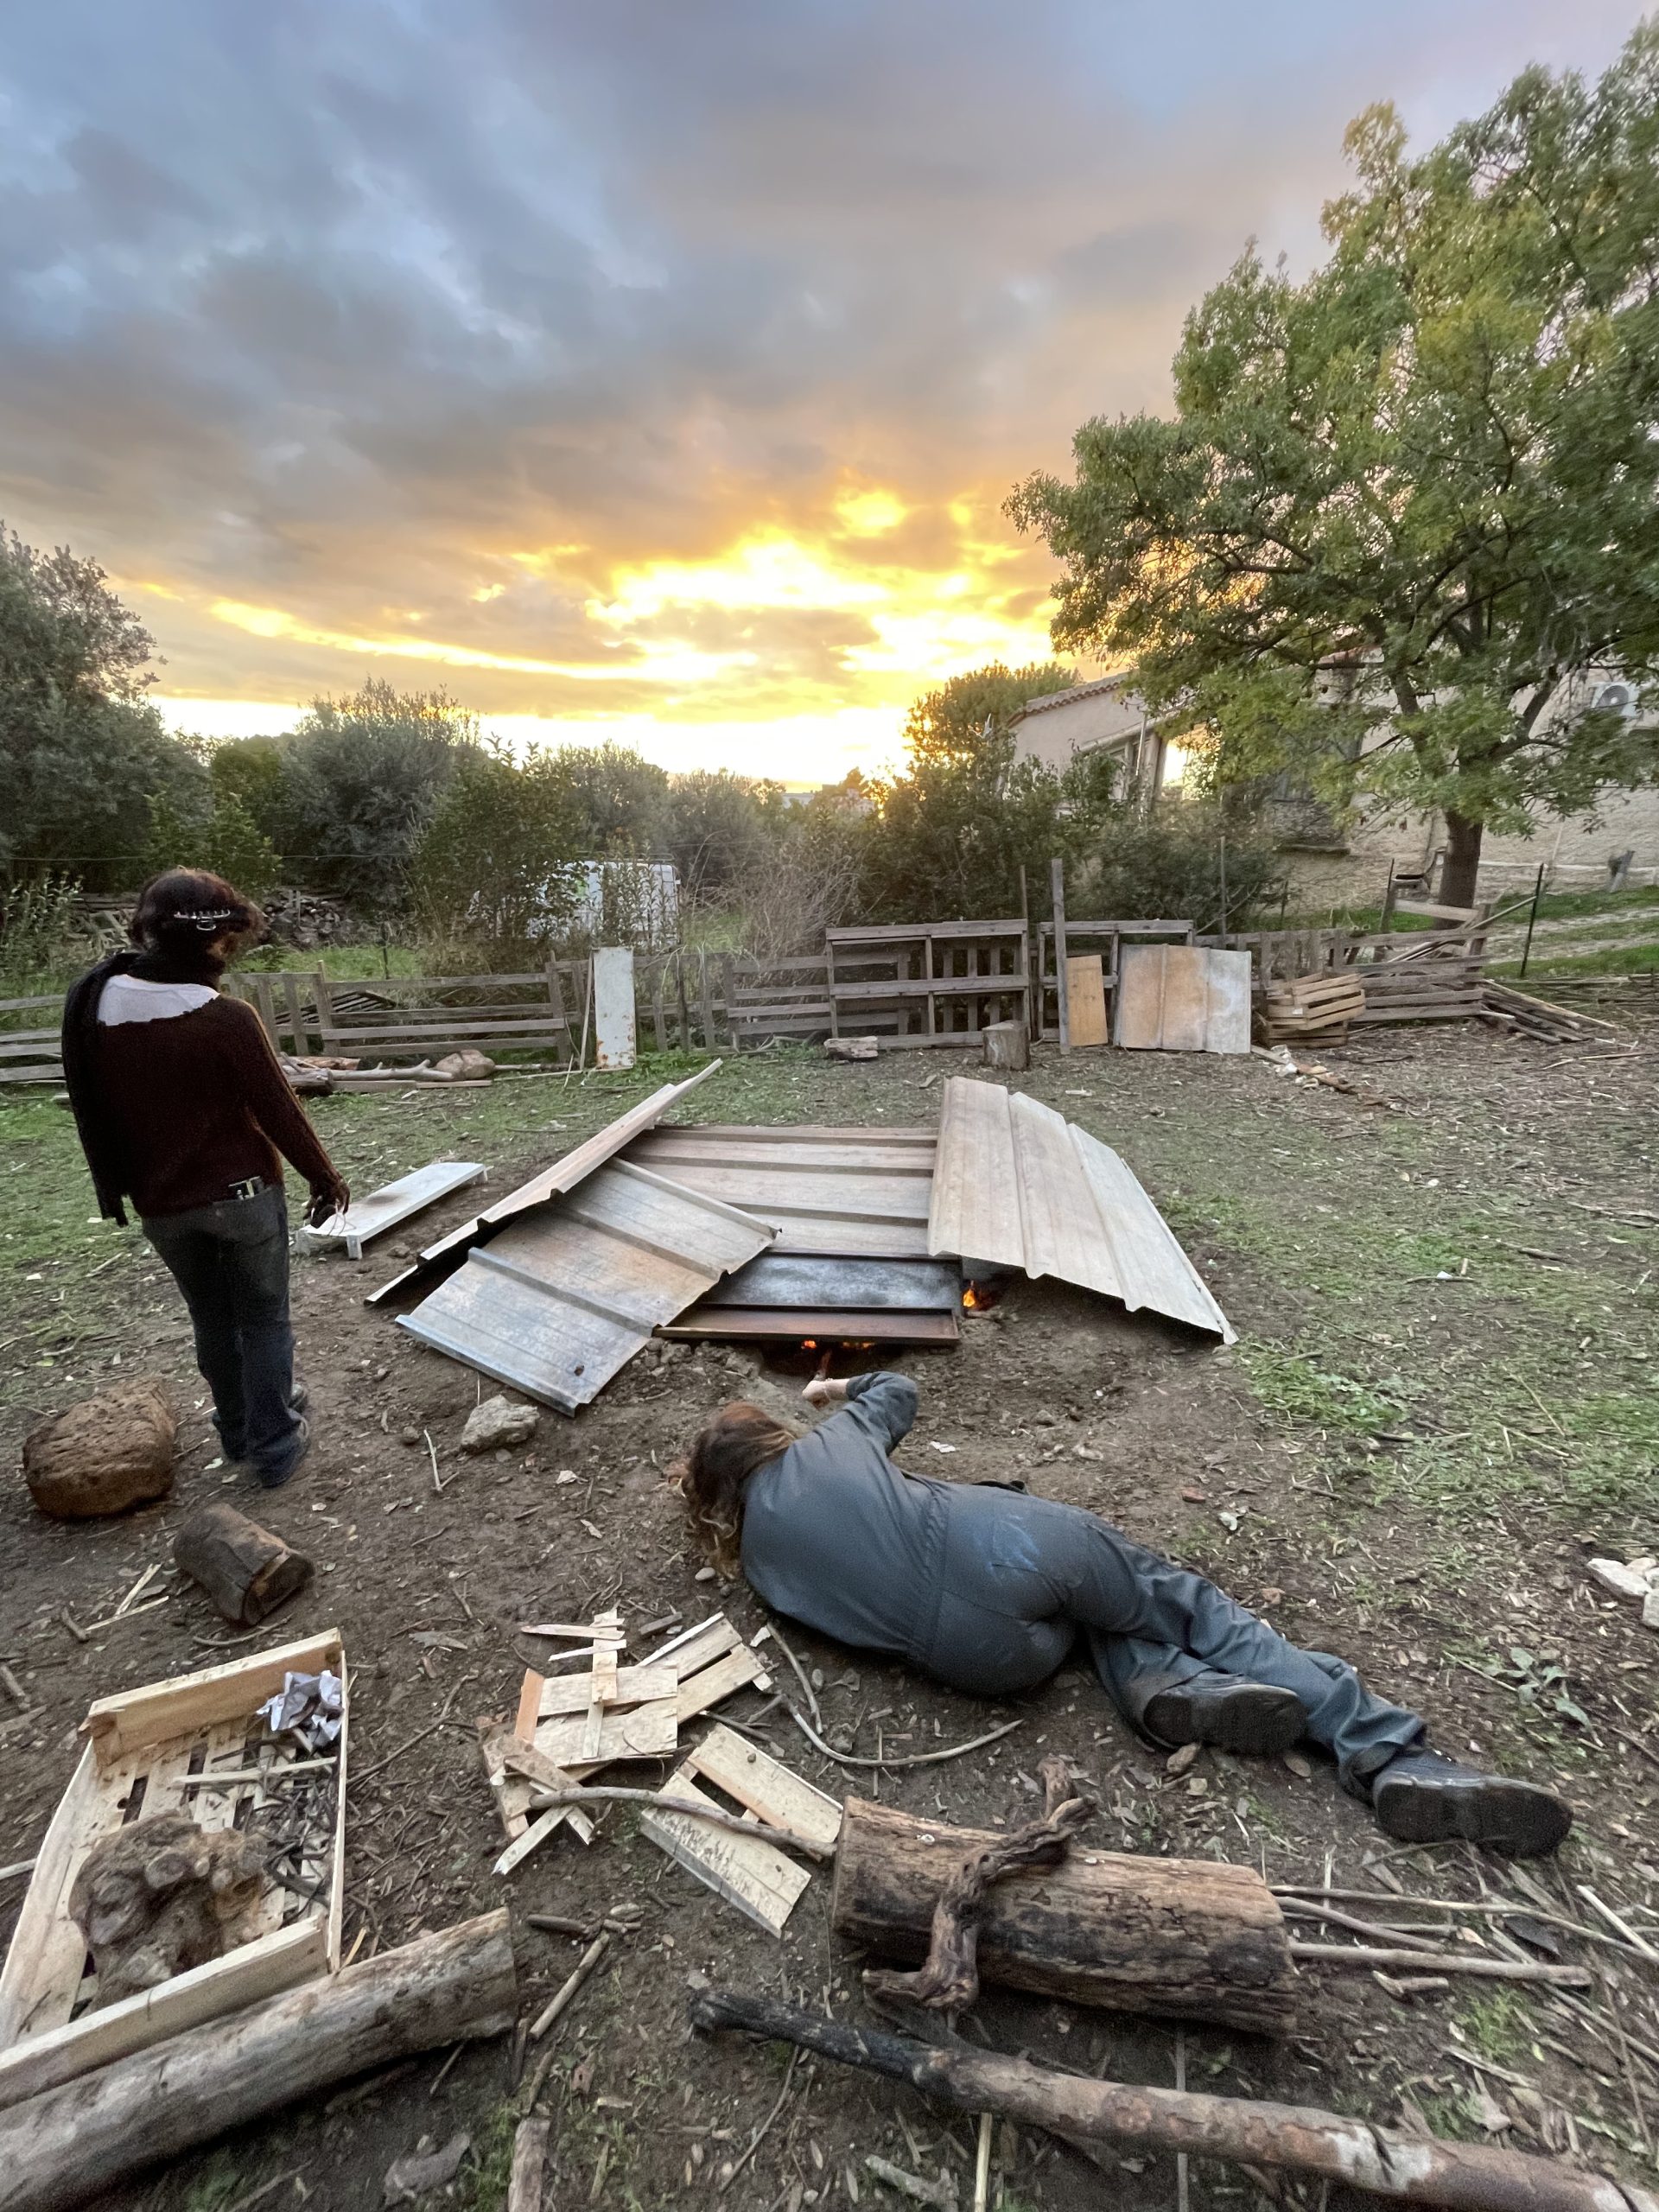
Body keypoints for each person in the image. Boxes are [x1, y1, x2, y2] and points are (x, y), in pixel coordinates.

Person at [675, 1370, 1573, 1856]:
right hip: (1010, 1547)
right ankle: (1387, 1754)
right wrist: (838, 1391)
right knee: (1188, 1604)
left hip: (986, 1661)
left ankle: (1165, 1692)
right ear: (772, 1441)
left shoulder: (760, 1568)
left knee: (1094, 1626)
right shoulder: (831, 1444)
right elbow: (899, 1390)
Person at [61, 869, 349, 1490]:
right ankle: (275, 1444)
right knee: (264, 1320)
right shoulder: (225, 1018)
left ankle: (240, 1428)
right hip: (243, 1197)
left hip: (161, 1205)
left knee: (213, 1320)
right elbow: (278, 1111)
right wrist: (324, 1177)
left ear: (146, 930)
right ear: (219, 939)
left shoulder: (95, 1007)